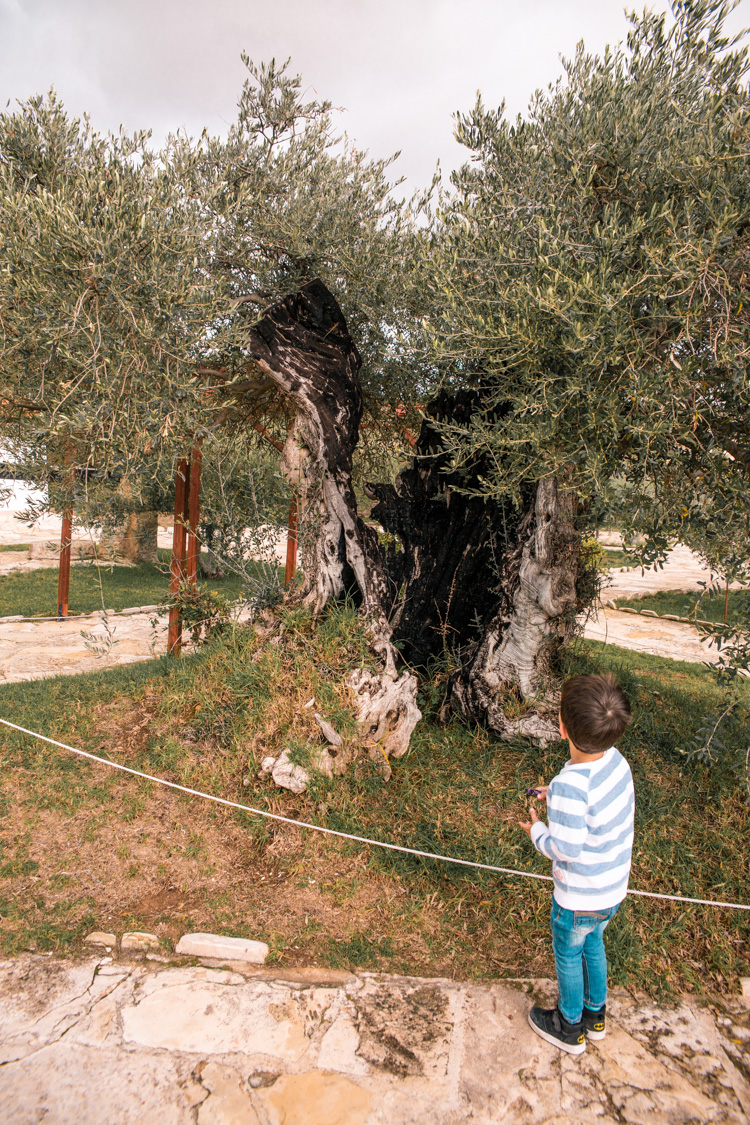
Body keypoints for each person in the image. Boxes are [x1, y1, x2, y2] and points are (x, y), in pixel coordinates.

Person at [519, 673, 634, 1055]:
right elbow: (594, 800)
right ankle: (595, 1016)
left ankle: (569, 1026)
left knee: (569, 955)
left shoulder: (571, 785)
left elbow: (564, 848)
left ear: (561, 726)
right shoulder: (616, 762)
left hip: (578, 898)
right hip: (611, 893)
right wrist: (555, 792)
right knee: (594, 946)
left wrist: (536, 829)